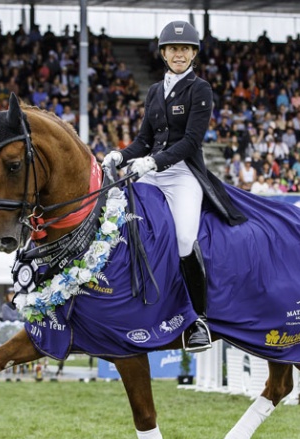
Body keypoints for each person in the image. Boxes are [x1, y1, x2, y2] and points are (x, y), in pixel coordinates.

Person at [102, 20, 246, 353]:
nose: (178, 54)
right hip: (151, 172)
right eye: (172, 48)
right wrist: (120, 155)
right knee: (123, 224)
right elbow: (144, 140)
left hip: (183, 175)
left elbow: (192, 141)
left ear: (193, 53)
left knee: (183, 238)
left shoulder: (200, 89)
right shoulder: (154, 91)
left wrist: (153, 162)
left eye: (184, 49)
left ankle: (200, 319)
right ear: (164, 53)